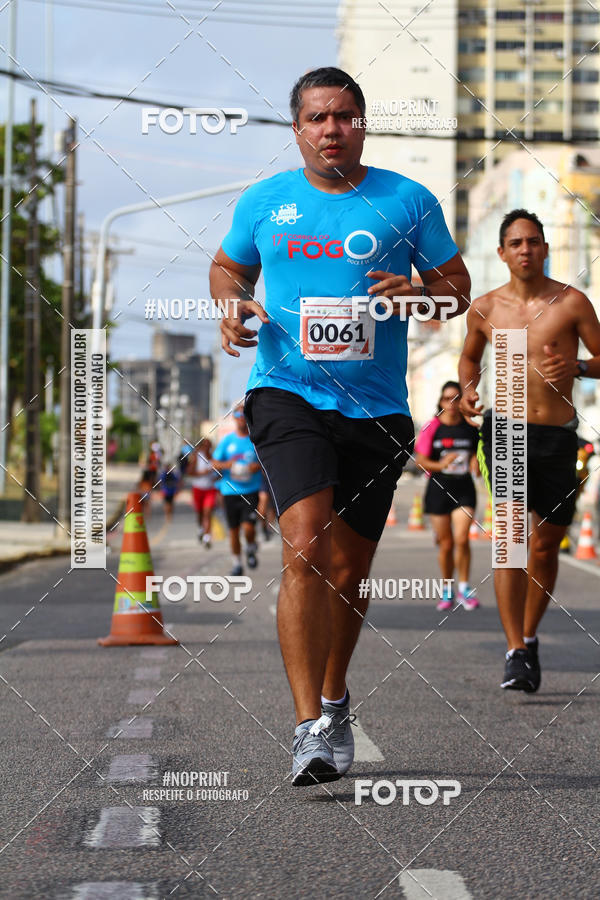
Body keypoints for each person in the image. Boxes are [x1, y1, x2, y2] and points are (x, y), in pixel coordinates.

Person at [210, 66, 470, 786]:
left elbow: (458, 289)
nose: (332, 129)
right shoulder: (266, 202)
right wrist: (231, 306)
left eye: (346, 116)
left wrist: (420, 290)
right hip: (287, 392)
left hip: (377, 407)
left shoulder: (406, 201)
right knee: (304, 545)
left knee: (350, 569)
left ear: (363, 124)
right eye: (318, 118)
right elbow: (228, 267)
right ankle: (307, 731)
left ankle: (334, 699)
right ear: (297, 129)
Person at [459, 208, 600, 693]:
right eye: (516, 242)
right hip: (507, 433)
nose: (525, 249)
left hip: (558, 436)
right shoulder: (486, 307)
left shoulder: (572, 302)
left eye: (533, 241)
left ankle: (531, 634)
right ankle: (515, 649)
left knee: (546, 543)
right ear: (502, 253)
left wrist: (580, 368)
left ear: (545, 248)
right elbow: (469, 357)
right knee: (512, 539)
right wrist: (466, 389)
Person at [415, 381, 480, 612]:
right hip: (438, 489)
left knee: (462, 539)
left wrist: (475, 460)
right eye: (446, 399)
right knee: (446, 544)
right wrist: (441, 464)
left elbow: (478, 453)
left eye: (455, 398)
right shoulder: (431, 427)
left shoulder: (470, 427)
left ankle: (464, 588)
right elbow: (420, 460)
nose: (451, 404)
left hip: (464, 489)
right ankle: (446, 589)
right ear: (440, 401)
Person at [212, 406, 263, 575]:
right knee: (233, 530)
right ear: (233, 418)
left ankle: (250, 546)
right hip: (230, 491)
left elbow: (264, 462)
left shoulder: (255, 440)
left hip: (250, 491)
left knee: (248, 528)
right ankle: (237, 564)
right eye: (237, 414)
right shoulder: (227, 441)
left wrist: (252, 467)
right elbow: (215, 462)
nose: (240, 417)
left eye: (243, 414)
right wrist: (230, 465)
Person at [191, 438, 219, 548]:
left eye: (209, 445)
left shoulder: (214, 458)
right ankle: (201, 529)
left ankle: (207, 537)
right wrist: (203, 473)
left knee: (208, 513)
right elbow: (190, 472)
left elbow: (220, 473)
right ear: (202, 446)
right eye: (205, 445)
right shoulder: (196, 457)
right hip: (198, 488)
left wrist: (215, 478)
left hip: (210, 489)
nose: (207, 447)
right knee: (199, 513)